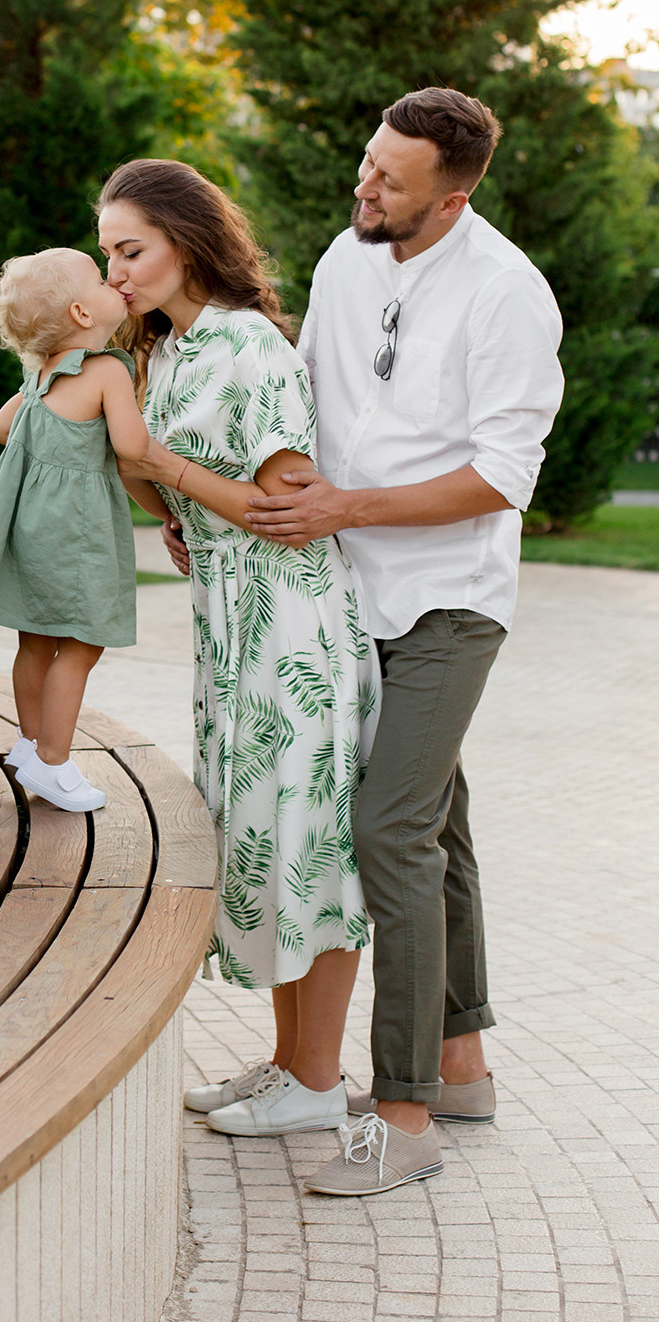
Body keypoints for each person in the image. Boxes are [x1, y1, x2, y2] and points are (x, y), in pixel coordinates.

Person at [229, 87, 564, 1193]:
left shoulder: (508, 294)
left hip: (447, 601)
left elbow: (499, 480)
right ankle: (461, 1061)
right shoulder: (344, 255)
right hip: (341, 593)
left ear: (452, 195)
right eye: (367, 162)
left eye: (389, 179)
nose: (364, 186)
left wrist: (346, 510)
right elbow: (311, 397)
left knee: (388, 829)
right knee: (436, 825)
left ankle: (407, 1112)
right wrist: (245, 505)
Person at [100, 158, 381, 1140]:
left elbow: (286, 506)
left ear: (186, 240)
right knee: (266, 849)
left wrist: (166, 468)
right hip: (232, 626)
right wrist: (167, 500)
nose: (117, 271)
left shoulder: (249, 344)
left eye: (130, 249)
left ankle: (315, 1076)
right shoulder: (166, 350)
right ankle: (291, 1066)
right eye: (108, 253)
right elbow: (165, 482)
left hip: (291, 625)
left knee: (312, 847)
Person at [0, 246, 151, 814]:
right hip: (77, 533)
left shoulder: (37, 375)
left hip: (32, 529)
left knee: (36, 640)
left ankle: (29, 743)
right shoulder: (107, 371)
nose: (114, 282)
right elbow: (132, 450)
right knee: (82, 643)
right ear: (84, 315)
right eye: (100, 280)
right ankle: (54, 762)